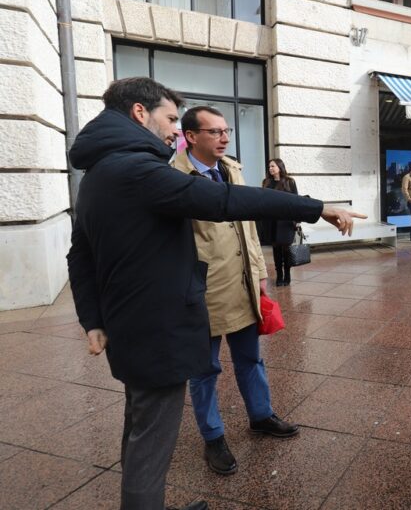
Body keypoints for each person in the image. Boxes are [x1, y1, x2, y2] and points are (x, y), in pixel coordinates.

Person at [66, 77, 365, 510]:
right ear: (138, 113)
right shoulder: (137, 170)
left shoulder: (99, 173)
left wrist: (92, 318)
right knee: (151, 445)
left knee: (139, 432)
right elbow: (225, 201)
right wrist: (318, 209)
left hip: (132, 327)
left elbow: (80, 254)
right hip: (157, 332)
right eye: (170, 119)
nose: (173, 130)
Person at [173, 106, 298, 478]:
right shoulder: (175, 178)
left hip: (243, 284)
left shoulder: (234, 169)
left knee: (251, 359)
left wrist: (260, 273)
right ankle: (213, 436)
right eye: (215, 132)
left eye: (226, 130)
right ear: (192, 136)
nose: (225, 137)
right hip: (204, 291)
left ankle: (261, 415)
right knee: (205, 369)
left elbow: (248, 229)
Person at [262, 158, 299, 285]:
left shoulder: (290, 182)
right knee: (276, 249)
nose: (270, 169)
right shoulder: (266, 182)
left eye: (272, 166)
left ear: (279, 167)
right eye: (269, 167)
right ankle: (279, 276)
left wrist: (297, 220)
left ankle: (287, 275)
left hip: (286, 221)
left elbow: (296, 201)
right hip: (272, 221)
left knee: (286, 249)